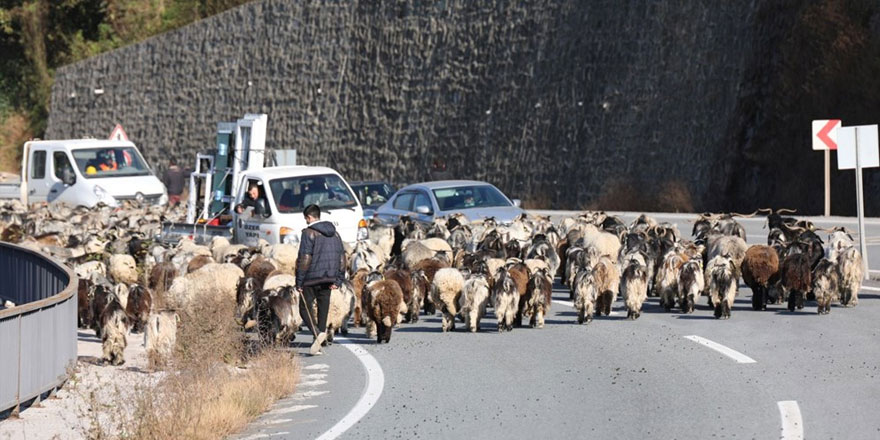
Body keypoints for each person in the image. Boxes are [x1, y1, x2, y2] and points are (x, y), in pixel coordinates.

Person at [295, 204, 345, 355]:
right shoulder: (335, 234)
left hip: (311, 277)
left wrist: (299, 280)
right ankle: (318, 344)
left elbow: (305, 258)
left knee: (304, 309)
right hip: (329, 277)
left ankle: (317, 333)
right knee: (323, 310)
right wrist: (339, 279)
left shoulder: (308, 233)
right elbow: (342, 257)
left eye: (306, 219)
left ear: (309, 217)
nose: (306, 222)